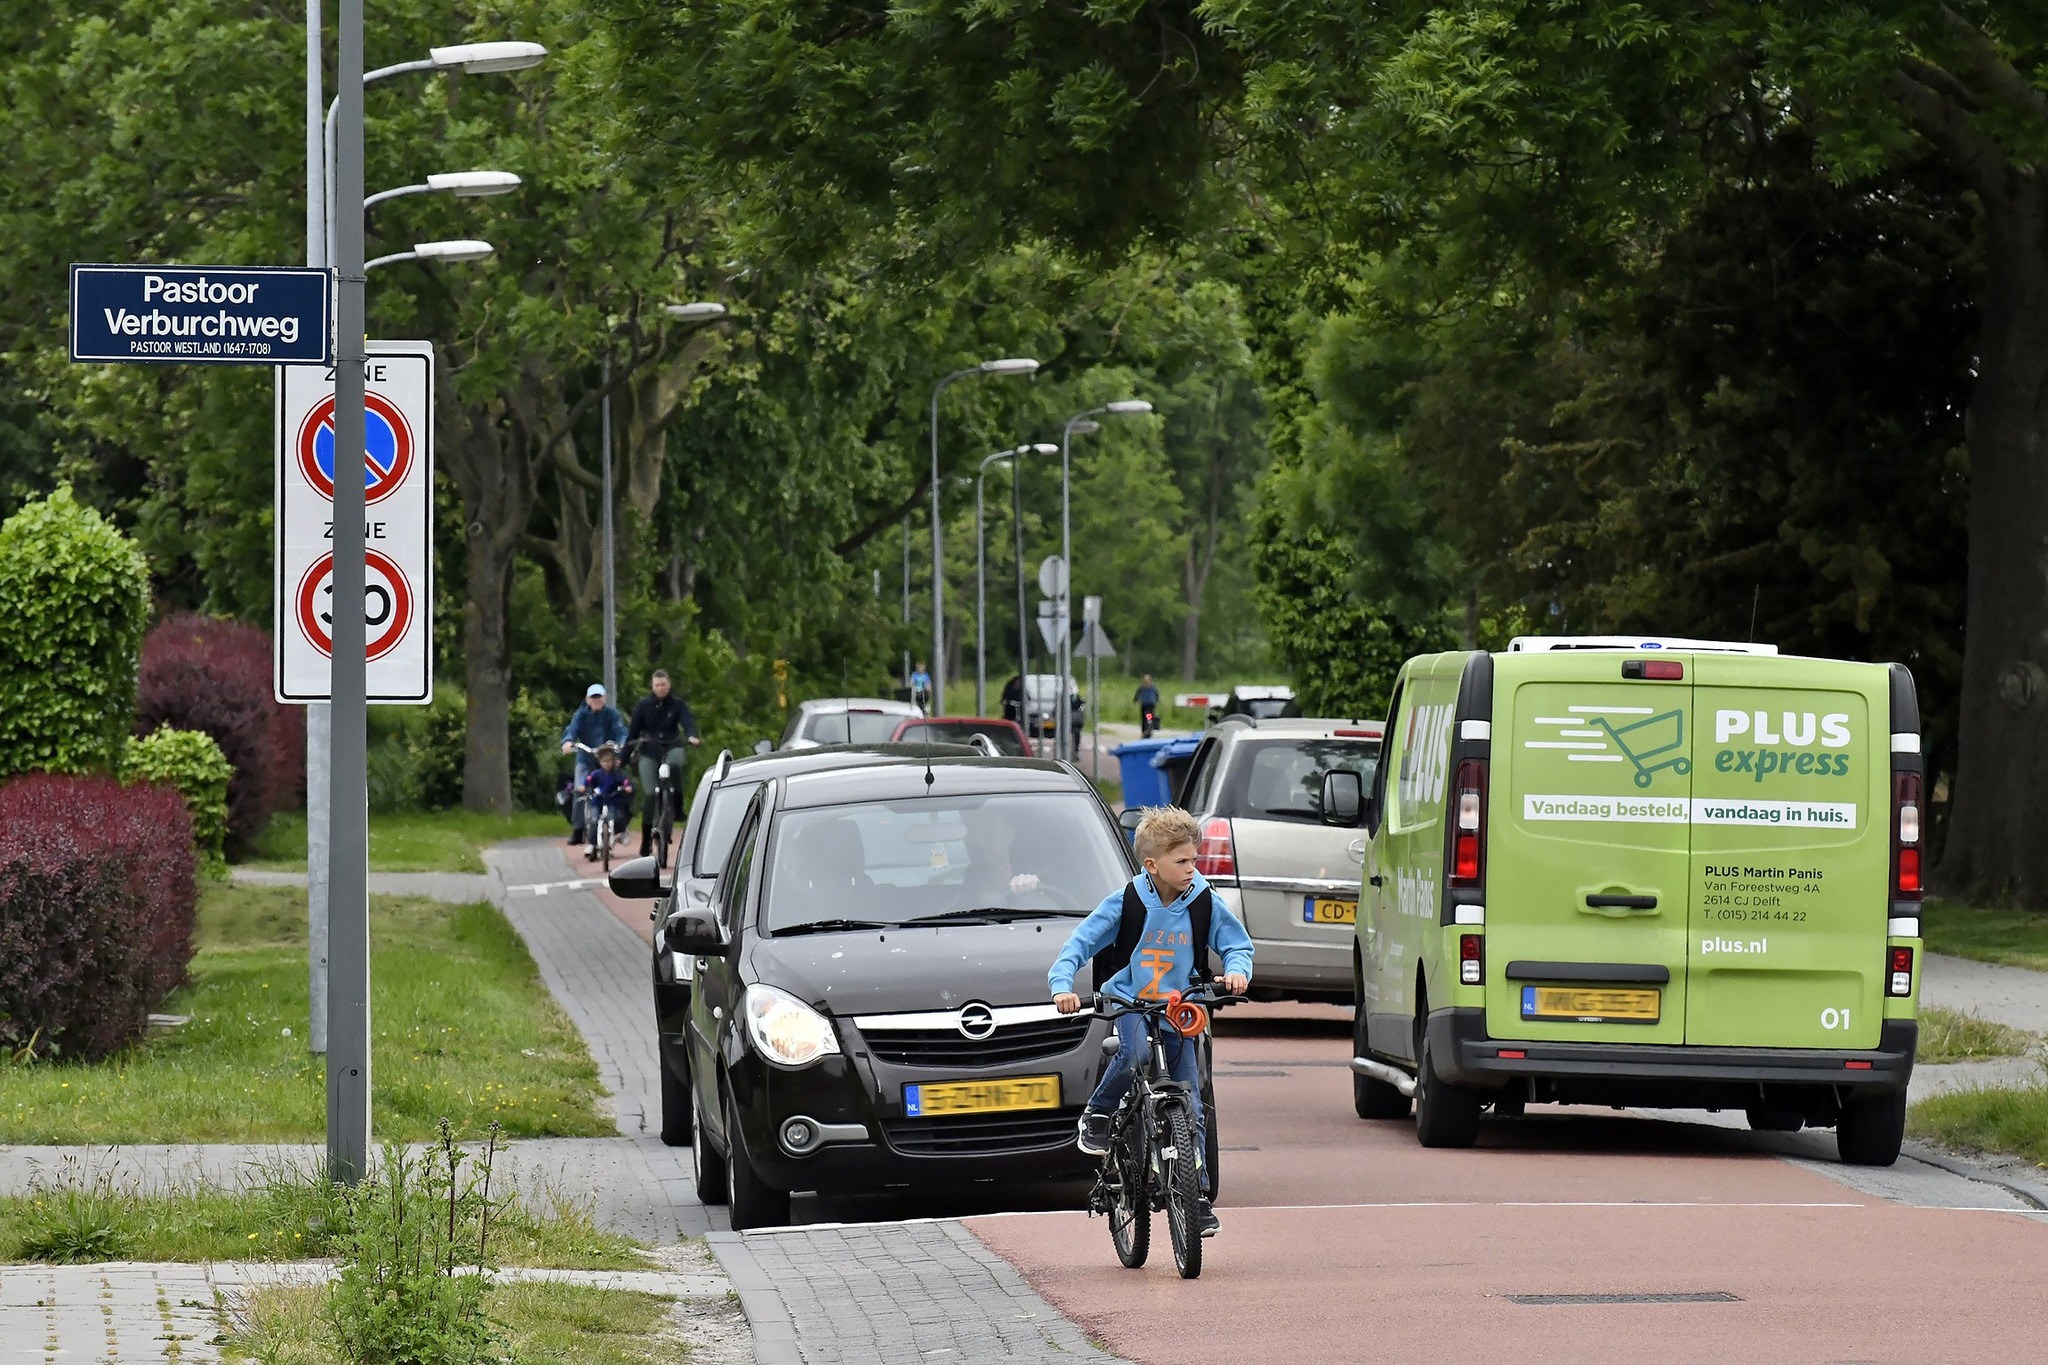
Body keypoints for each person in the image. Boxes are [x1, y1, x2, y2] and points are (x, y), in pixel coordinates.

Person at [1047, 806, 1252, 1236]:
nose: (1192, 869)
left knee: (1191, 1101)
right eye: (1182, 861)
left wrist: (1237, 971)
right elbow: (1080, 943)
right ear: (1152, 865)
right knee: (1136, 1051)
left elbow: (1237, 944)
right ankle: (1099, 1114)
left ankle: (1195, 1194)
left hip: (1180, 1007)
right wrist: (1061, 985)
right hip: (1133, 1002)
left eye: (1195, 860)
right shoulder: (1126, 901)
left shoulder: (1202, 900)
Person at [625, 668, 701, 857]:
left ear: (669, 685)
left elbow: (688, 722)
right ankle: (645, 839)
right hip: (649, 749)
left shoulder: (678, 705)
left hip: (671, 745)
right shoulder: (643, 706)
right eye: (657, 685)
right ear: (652, 686)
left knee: (676, 764)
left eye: (663, 684)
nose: (661, 688)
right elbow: (633, 733)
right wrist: (623, 756)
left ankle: (677, 805)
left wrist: (692, 736)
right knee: (650, 793)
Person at [560, 683, 628, 841]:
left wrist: (622, 744)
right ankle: (578, 829)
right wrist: (568, 742)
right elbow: (572, 729)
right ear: (587, 699)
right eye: (593, 697)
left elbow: (621, 731)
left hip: (607, 758)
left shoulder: (612, 714)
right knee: (579, 788)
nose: (596, 700)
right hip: (586, 757)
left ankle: (620, 825)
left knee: (620, 787)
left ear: (604, 698)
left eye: (599, 697)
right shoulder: (581, 714)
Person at [579, 743, 634, 857]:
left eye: (609, 761)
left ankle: (616, 836)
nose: (607, 764)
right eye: (604, 761)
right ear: (600, 762)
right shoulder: (597, 774)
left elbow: (625, 781)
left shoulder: (617, 774)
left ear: (613, 761)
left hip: (613, 800)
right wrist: (584, 786)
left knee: (616, 818)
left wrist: (627, 787)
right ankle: (592, 844)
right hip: (597, 801)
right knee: (594, 820)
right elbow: (588, 780)